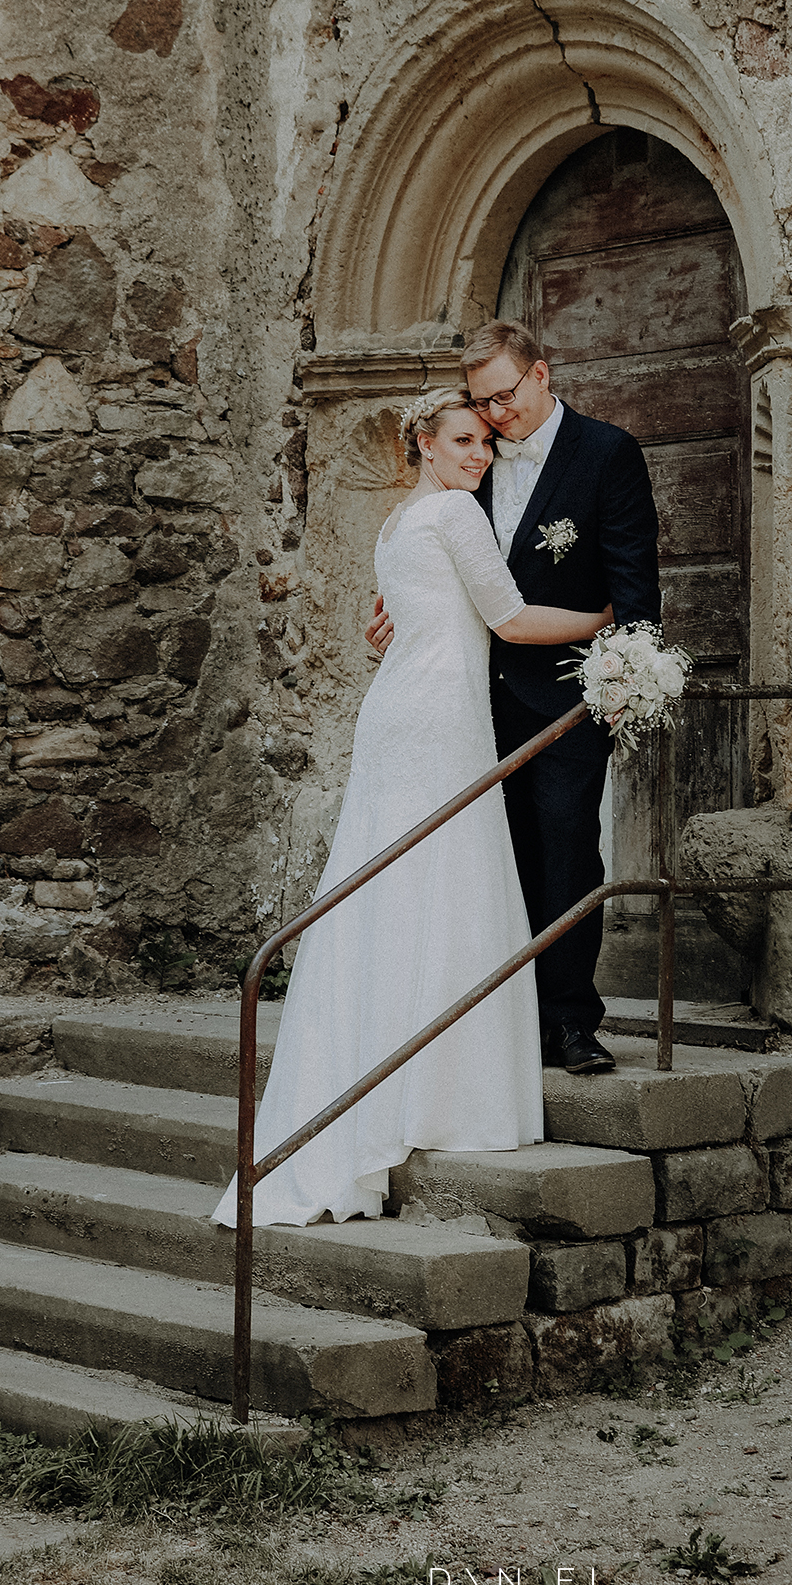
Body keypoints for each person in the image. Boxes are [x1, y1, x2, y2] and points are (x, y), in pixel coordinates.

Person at [213, 390, 613, 1230]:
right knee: (447, 871)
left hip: (399, 707)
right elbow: (509, 620)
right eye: (463, 440)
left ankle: (391, 1061)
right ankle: (440, 1091)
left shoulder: (396, 522)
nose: (479, 456)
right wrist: (607, 618)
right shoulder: (456, 514)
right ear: (424, 444)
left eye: (485, 444)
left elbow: (406, 620)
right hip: (437, 716)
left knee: (396, 877)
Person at [368, 320, 661, 1077]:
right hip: (466, 698)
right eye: (481, 404)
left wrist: (629, 668)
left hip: (564, 698)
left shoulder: (605, 454)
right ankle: (494, 1023)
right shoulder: (473, 458)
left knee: (565, 852)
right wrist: (402, 612)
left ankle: (569, 1022)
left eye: (504, 397)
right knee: (482, 862)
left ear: (541, 374)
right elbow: (440, 569)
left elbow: (633, 574)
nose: (495, 417)